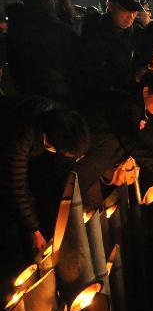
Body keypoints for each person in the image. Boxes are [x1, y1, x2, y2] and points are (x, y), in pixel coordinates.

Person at [0, 95, 89, 273]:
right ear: (54, 145)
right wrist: (34, 230)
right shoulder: (21, 137)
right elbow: (16, 186)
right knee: (10, 220)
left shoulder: (60, 119)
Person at [75, 72, 153, 206]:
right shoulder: (126, 106)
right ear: (146, 91)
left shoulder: (137, 109)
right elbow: (129, 141)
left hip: (94, 163)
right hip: (85, 160)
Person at [6, 0, 78, 103]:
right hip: (61, 98)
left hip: (27, 98)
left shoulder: (17, 30)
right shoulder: (64, 30)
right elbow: (76, 70)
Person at [78, 0, 143, 97]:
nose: (131, 15)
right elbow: (93, 74)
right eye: (126, 9)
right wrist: (133, 76)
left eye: (134, 10)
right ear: (110, 6)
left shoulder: (138, 33)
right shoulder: (92, 30)